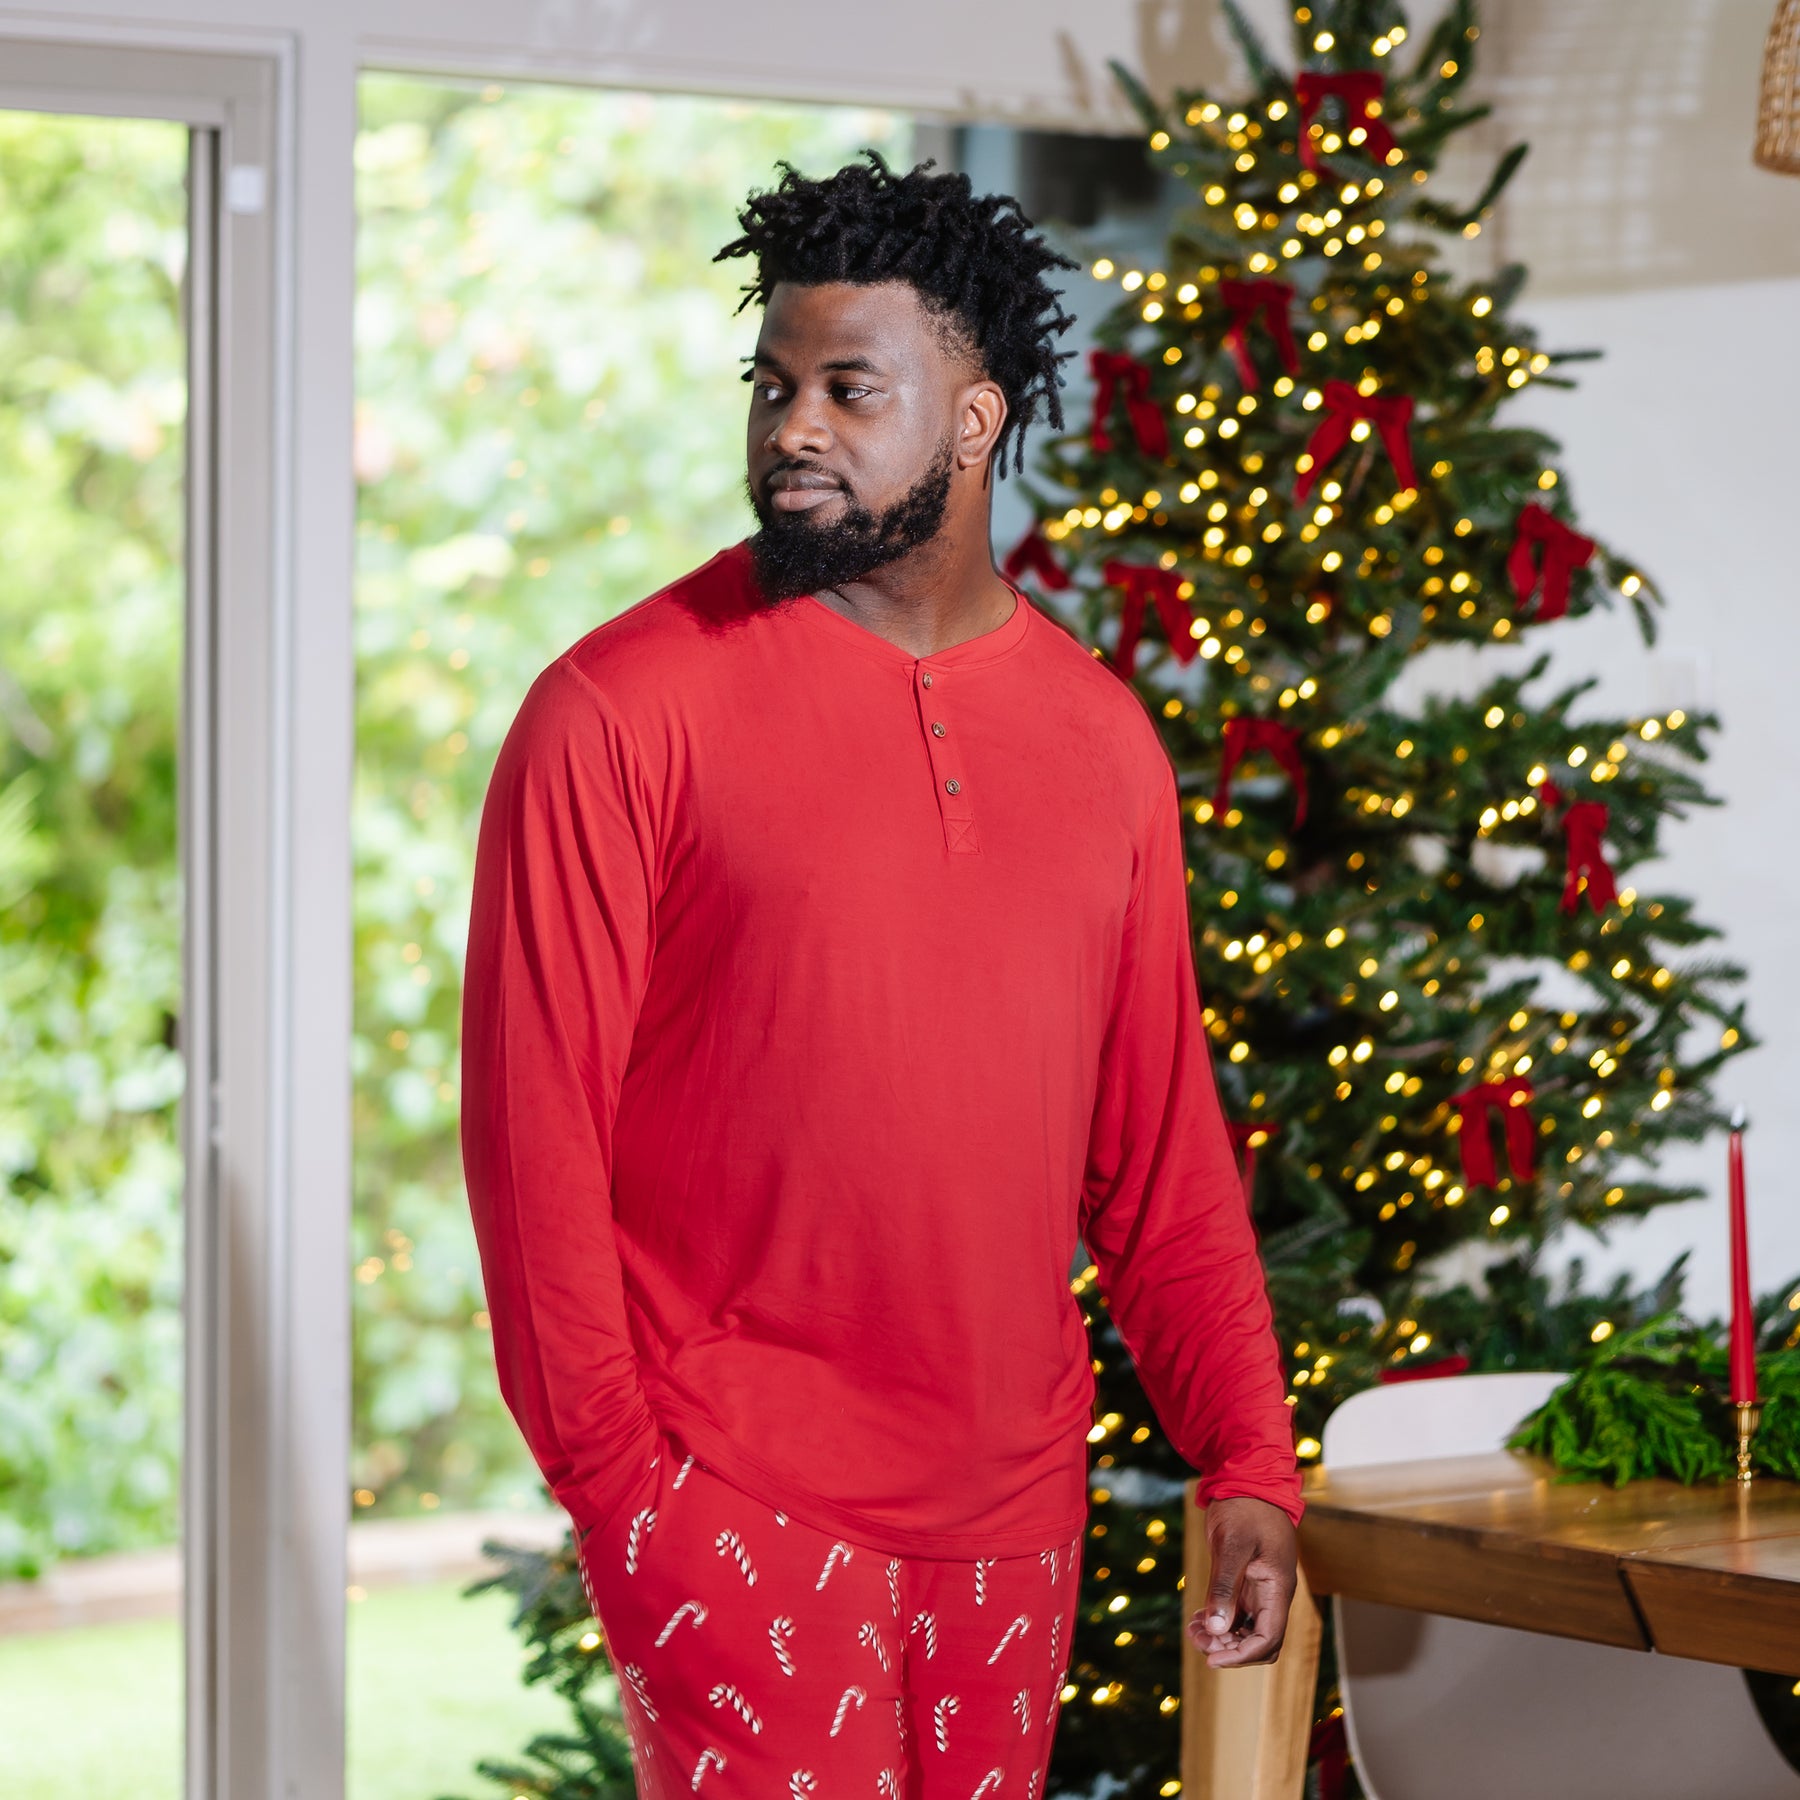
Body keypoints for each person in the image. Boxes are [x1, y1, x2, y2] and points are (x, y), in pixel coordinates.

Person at [461, 151, 1300, 1800]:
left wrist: (1247, 1458)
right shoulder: (613, 712)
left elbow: (1155, 1151)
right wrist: (624, 1490)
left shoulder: (1102, 740)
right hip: (732, 1499)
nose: (792, 427)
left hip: (1014, 1512)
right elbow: (528, 1140)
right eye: (774, 385)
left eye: (852, 388)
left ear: (976, 420)